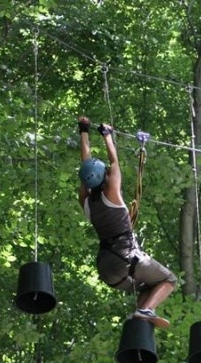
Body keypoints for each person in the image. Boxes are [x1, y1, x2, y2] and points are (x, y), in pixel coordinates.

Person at [77, 116, 176, 328]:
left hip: (108, 269)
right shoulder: (112, 193)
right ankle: (145, 310)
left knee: (150, 287)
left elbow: (85, 169)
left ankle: (139, 320)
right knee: (169, 280)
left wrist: (83, 131)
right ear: (105, 177)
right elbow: (114, 163)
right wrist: (107, 136)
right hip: (125, 260)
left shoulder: (86, 202)